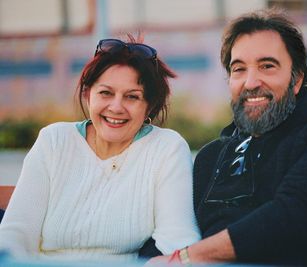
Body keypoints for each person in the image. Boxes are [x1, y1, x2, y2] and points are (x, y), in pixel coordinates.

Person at [150, 8, 307, 266]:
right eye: (238, 69)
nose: (250, 82)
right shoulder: (211, 158)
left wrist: (188, 258)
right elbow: (171, 231)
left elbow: (293, 217)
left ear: (297, 79)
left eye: (267, 66)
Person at [0, 35, 200, 262]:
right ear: (87, 94)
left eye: (132, 97)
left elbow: (178, 240)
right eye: (106, 93)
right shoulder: (54, 141)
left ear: (149, 106)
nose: (116, 107)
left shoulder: (167, 149)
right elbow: (14, 236)